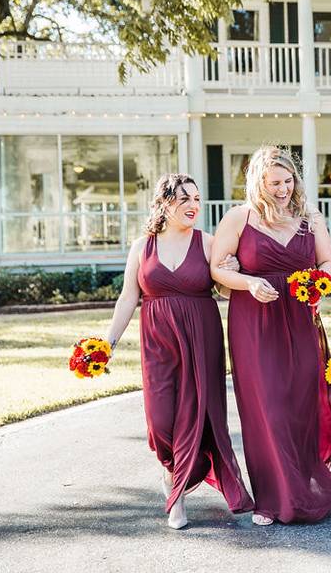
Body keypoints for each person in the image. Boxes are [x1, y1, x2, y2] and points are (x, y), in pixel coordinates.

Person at [105, 173, 253, 530]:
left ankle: (177, 498)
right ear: (163, 203)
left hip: (201, 338)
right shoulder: (142, 247)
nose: (193, 206)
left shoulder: (207, 242)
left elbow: (229, 291)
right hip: (157, 342)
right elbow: (129, 298)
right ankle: (174, 476)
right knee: (160, 422)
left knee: (196, 417)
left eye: (197, 199)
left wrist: (232, 271)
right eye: (184, 198)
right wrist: (107, 343)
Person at [210, 146, 331, 525]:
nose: (283, 189)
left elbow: (327, 263)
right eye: (275, 183)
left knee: (300, 404)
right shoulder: (239, 219)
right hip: (255, 323)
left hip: (302, 320)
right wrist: (249, 282)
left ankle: (301, 485)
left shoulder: (310, 219)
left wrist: (320, 284)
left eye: (288, 181)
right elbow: (218, 269)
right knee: (267, 407)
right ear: (258, 183)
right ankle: (272, 498)